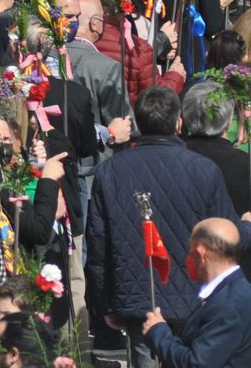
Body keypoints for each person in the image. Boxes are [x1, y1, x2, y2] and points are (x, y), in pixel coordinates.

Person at [89, 86, 239, 360]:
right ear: (178, 123)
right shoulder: (203, 170)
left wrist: (104, 303)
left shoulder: (110, 171)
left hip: (138, 296)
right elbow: (225, 237)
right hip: (191, 295)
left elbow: (98, 244)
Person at [143, 218, 251, 367]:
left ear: (200, 253)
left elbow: (196, 364)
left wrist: (158, 332)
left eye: (190, 251)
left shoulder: (227, 306)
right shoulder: (232, 289)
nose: (188, 258)